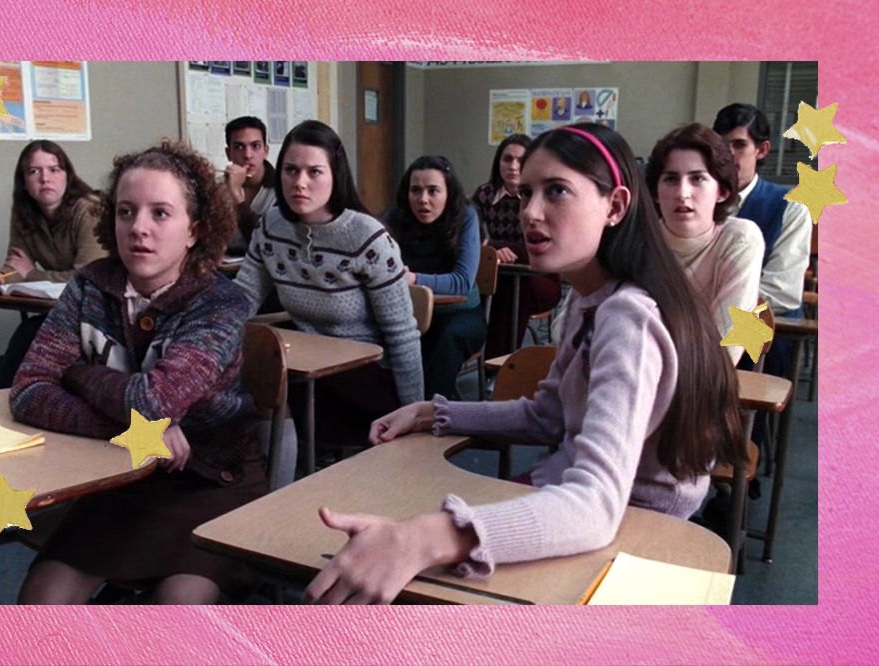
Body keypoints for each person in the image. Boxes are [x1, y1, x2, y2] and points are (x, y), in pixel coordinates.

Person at [303, 124, 746, 605]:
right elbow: (548, 414)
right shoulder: (591, 296)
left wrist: (421, 540)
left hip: (631, 532)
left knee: (403, 567)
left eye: (556, 191)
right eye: (527, 192)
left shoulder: (628, 317)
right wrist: (434, 412)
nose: (530, 212)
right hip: (579, 503)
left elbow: (596, 506)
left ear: (615, 206)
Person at [11, 140, 266, 605]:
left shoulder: (219, 303)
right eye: (126, 212)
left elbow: (153, 402)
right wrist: (138, 434)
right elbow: (27, 390)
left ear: (195, 229)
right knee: (40, 602)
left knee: (177, 611)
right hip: (117, 480)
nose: (139, 228)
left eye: (160, 213)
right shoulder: (90, 286)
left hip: (208, 481)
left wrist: (78, 374)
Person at [235, 120, 423, 446]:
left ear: (336, 175)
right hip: (305, 372)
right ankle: (270, 489)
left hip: (366, 377)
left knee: (271, 400)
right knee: (243, 388)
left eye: (314, 172)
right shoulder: (271, 225)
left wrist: (413, 414)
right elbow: (243, 297)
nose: (300, 183)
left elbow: (402, 334)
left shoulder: (368, 237)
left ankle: (284, 483)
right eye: (291, 170)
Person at [0, 141, 107, 389]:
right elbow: (16, 265)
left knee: (30, 334)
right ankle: (2, 403)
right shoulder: (24, 213)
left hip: (99, 309)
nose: (45, 178)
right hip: (60, 310)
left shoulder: (90, 210)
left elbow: (87, 276)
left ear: (68, 176)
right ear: (24, 182)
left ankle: (12, 398)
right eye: (34, 171)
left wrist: (32, 273)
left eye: (54, 170)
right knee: (28, 334)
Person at [646, 123, 764, 365]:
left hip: (700, 385)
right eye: (670, 179)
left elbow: (726, 347)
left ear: (721, 191)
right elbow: (568, 326)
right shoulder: (634, 239)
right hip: (626, 380)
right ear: (656, 193)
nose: (682, 193)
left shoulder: (739, 239)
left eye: (697, 178)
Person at [713, 103, 812, 374]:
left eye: (739, 145)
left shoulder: (791, 208)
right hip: (701, 334)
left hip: (761, 337)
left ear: (762, 150)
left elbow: (783, 291)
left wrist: (716, 310)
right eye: (721, 146)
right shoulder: (700, 201)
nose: (728, 155)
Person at [382, 156, 486, 400]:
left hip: (460, 315)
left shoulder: (466, 216)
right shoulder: (395, 216)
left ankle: (427, 417)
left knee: (447, 339)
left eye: (433, 191)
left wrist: (414, 279)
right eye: (415, 190)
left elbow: (461, 283)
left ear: (448, 193)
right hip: (410, 314)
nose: (423, 200)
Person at [471, 134, 561, 358]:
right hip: (498, 277)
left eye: (520, 161)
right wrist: (493, 250)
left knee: (515, 289)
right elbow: (469, 238)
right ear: (498, 162)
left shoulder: (544, 197)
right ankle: (494, 365)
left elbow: (542, 246)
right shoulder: (484, 194)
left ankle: (497, 366)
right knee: (502, 287)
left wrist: (491, 246)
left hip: (542, 277)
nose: (513, 166)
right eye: (507, 159)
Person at [222, 116, 276, 256]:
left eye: (255, 146)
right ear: (229, 153)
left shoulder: (282, 189)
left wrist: (236, 196)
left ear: (266, 151)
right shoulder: (216, 188)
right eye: (239, 147)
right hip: (225, 268)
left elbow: (262, 241)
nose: (247, 155)